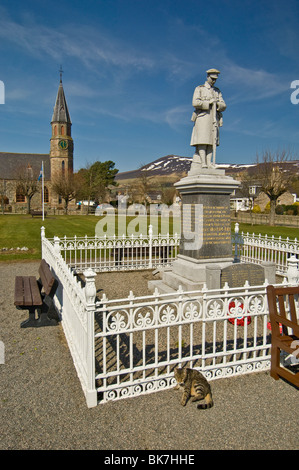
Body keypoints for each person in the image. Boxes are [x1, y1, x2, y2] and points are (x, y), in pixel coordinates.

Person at [190, 69, 226, 169]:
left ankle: (209, 162)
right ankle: (203, 163)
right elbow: (195, 103)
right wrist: (209, 103)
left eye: (215, 79)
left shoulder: (217, 91)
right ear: (207, 77)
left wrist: (218, 104)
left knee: (212, 140)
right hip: (202, 117)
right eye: (212, 78)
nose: (214, 81)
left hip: (214, 118)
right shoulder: (200, 89)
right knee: (203, 140)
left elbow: (224, 105)